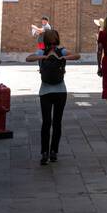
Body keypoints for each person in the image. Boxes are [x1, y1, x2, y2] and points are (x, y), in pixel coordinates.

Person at [25, 28, 80, 164]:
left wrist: (43, 57)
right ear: (57, 39)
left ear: (45, 40)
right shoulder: (61, 51)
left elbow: (28, 58)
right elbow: (77, 56)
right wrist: (61, 57)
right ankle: (54, 151)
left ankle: (44, 153)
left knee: (46, 123)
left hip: (45, 92)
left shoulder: (41, 52)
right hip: (61, 91)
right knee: (57, 122)